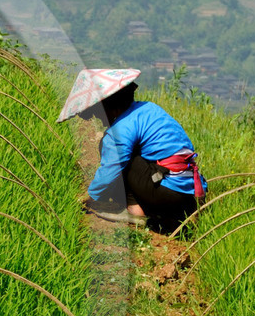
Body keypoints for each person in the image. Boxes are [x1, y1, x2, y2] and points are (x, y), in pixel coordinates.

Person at [57, 69, 207, 232]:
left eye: (97, 114)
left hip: (168, 192)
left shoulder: (120, 130)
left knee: (118, 155)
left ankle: (135, 211)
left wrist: (93, 197)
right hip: (191, 192)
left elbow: (111, 169)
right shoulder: (149, 108)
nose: (99, 120)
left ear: (107, 108)